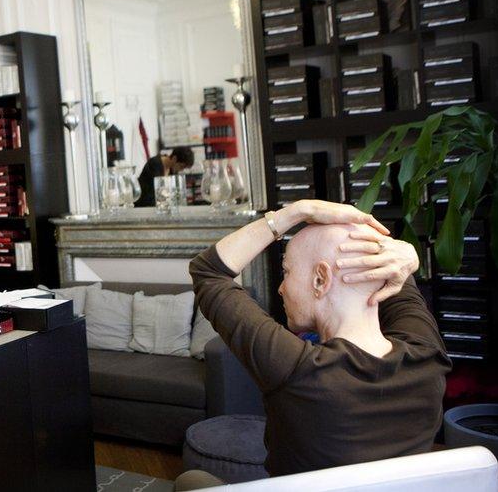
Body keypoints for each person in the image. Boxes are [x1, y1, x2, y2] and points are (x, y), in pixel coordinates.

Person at [186, 199, 450, 479]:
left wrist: (297, 211)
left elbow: (208, 272)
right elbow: (396, 270)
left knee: (191, 479)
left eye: (286, 272)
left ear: (320, 280)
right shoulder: (428, 356)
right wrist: (410, 255)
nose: (280, 288)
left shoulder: (298, 369)